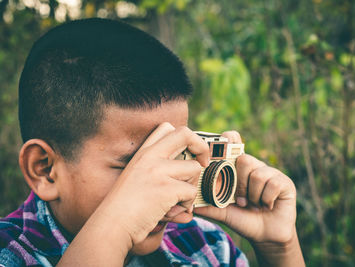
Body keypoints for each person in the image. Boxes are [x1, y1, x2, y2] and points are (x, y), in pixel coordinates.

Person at [0, 18, 305, 266]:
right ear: (44, 169)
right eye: (135, 167)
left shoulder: (203, 245)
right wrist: (117, 226)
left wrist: (280, 249)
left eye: (175, 156)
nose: (168, 194)